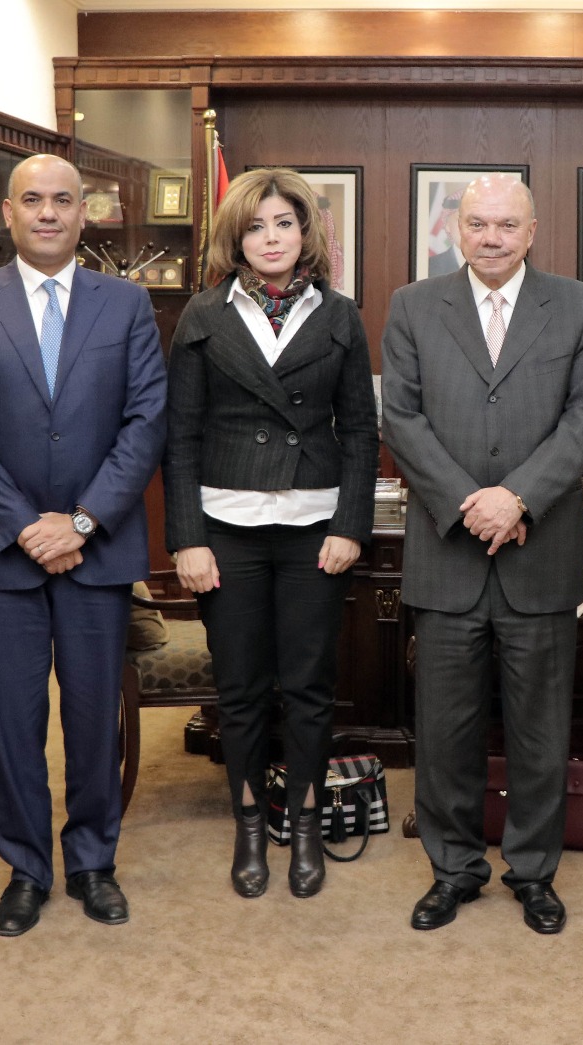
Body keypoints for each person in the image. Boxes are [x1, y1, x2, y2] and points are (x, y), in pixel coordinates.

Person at [0, 154, 167, 936]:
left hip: (99, 550)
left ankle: (93, 862)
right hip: (4, 554)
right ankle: (26, 867)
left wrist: (84, 520)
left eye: (63, 200)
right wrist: (28, 525)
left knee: (95, 717)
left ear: (83, 213)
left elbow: (146, 421)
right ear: (8, 213)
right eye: (32, 199)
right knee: (14, 721)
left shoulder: (126, 303)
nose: (48, 212)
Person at [381, 173, 583, 935]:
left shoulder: (577, 305)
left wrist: (518, 498)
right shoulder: (414, 305)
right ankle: (453, 869)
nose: (491, 237)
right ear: (458, 229)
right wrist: (468, 502)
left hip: (538, 550)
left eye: (507, 224)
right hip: (446, 552)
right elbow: (401, 418)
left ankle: (534, 871)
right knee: (444, 731)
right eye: (477, 223)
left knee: (541, 729)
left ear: (531, 231)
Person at [163, 167, 377, 901]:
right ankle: (250, 824)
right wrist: (186, 538)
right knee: (242, 690)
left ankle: (307, 823)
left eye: (284, 223)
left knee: (311, 688)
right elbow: (180, 436)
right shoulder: (203, 314)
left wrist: (351, 526)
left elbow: (361, 432)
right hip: (227, 528)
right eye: (256, 226)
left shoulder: (339, 314)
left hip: (316, 527)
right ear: (237, 237)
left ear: (305, 231)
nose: (271, 238)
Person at [427, 190, 464, 277]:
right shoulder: (430, 267)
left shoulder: (493, 265)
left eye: (474, 222)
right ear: (447, 225)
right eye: (459, 220)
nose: (465, 228)